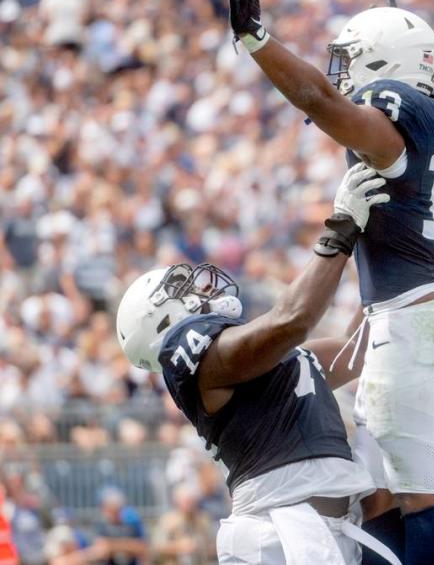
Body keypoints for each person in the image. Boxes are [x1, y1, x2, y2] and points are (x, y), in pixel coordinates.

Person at [227, 0, 434, 565]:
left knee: (417, 497)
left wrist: (259, 42)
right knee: (382, 497)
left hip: (411, 322)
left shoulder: (393, 122)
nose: (342, 72)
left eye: (351, 57)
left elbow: (318, 97)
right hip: (414, 316)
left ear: (383, 59)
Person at [114, 166, 398, 565]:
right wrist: (343, 228)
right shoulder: (201, 362)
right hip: (276, 536)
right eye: (179, 290)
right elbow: (293, 319)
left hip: (323, 532)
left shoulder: (262, 359)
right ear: (160, 323)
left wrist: (391, 267)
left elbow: (358, 351)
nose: (198, 286)